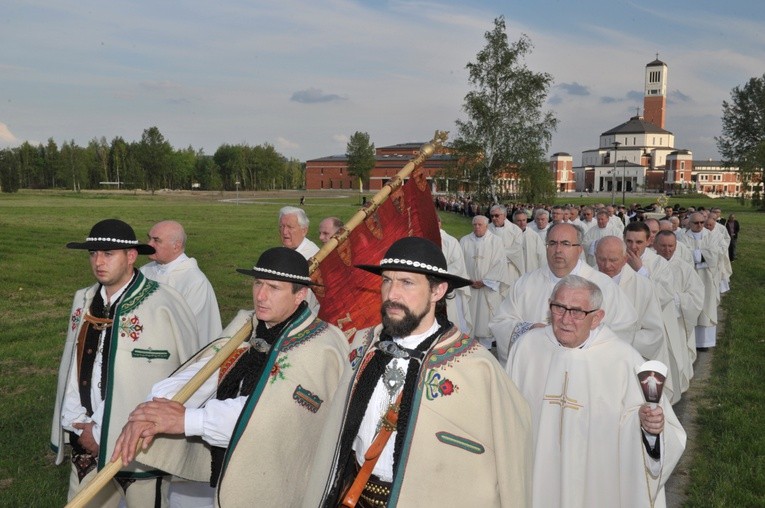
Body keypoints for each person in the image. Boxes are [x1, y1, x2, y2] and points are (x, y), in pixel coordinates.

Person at [111, 247, 349, 507]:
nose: (261, 295)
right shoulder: (249, 324)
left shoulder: (318, 346)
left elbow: (269, 417)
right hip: (231, 471)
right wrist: (154, 408)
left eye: (274, 287)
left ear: (300, 294)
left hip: (279, 485)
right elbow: (206, 372)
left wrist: (187, 419)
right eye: (258, 283)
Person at [304, 237, 533, 507]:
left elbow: (511, 459)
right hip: (356, 496)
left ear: (438, 291)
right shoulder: (365, 345)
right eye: (387, 280)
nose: (391, 294)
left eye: (407, 283)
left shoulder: (475, 368)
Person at [51, 219, 200, 507]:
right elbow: (73, 364)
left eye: (109, 254)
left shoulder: (162, 304)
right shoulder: (84, 299)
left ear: (131, 256)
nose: (98, 262)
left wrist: (101, 429)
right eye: (93, 254)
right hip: (84, 439)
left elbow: (170, 378)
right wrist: (77, 421)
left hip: (140, 445)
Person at [506, 275, 686, 508]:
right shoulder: (526, 349)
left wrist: (647, 426)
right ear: (549, 305)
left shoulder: (622, 359)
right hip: (537, 475)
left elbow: (659, 431)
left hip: (596, 483)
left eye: (577, 312)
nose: (565, 319)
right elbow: (507, 413)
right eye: (559, 308)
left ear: (596, 318)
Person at [489, 223, 637, 367]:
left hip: (583, 369)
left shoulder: (604, 285)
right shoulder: (525, 283)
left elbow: (624, 328)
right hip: (536, 369)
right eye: (552, 243)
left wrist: (579, 340)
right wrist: (530, 330)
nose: (558, 250)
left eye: (566, 243)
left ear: (579, 249)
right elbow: (501, 323)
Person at [595, 236, 677, 403]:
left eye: (613, 260)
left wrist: (618, 339)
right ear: (595, 256)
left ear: (625, 259)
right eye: (602, 259)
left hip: (629, 363)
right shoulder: (586, 283)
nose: (607, 265)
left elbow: (655, 332)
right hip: (593, 363)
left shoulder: (643, 287)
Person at [141, 220, 222, 344]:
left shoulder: (195, 282)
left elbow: (188, 330)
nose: (149, 244)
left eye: (156, 240)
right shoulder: (145, 271)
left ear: (176, 246)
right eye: (149, 239)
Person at [654, 231, 704, 392]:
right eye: (663, 245)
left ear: (676, 246)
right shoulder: (649, 265)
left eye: (671, 246)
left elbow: (696, 296)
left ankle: (675, 387)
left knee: (676, 356)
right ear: (655, 244)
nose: (667, 250)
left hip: (677, 321)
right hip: (654, 322)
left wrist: (675, 299)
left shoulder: (684, 268)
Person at [460, 215, 511, 350]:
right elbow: (460, 264)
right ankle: (469, 349)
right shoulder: (465, 241)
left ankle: (486, 350)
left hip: (488, 289)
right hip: (470, 287)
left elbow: (500, 264)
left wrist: (485, 281)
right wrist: (467, 280)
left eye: (480, 225)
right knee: (470, 320)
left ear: (486, 226)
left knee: (485, 321)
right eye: (475, 225)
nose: (477, 227)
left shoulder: (496, 241)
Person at [678, 212, 720, 350]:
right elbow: (681, 255)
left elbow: (713, 255)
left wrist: (695, 256)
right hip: (689, 278)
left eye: (702, 222)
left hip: (706, 278)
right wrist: (701, 256)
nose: (700, 225)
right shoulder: (682, 236)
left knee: (705, 306)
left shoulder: (710, 235)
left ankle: (703, 343)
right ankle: (689, 340)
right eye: (696, 223)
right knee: (690, 305)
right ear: (689, 223)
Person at [438, 216, 473, 335]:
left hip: (449, 286)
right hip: (431, 286)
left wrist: (439, 276)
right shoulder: (424, 240)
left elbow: (458, 265)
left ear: (439, 223)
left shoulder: (450, 241)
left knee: (453, 316)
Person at [488, 204, 525, 283]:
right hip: (490, 269)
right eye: (492, 216)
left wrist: (497, 254)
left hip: (509, 269)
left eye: (497, 215)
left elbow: (516, 250)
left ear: (504, 216)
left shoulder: (515, 230)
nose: (494, 218)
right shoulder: (487, 229)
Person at [512, 208, 546, 273]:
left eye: (524, 220)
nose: (522, 223)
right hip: (514, 273)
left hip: (531, 271)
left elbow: (542, 256)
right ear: (514, 222)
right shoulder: (509, 235)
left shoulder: (534, 235)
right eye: (519, 221)